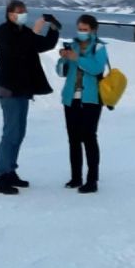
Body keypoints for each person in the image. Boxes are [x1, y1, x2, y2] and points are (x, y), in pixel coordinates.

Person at [0, 0, 59, 195]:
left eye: (24, 11)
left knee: (19, 133)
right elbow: (14, 52)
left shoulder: (24, 32)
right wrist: (35, 32)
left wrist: (53, 28)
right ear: (9, 14)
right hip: (10, 89)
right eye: (19, 11)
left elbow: (43, 44)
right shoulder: (3, 32)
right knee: (11, 133)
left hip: (23, 89)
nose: (22, 14)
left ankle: (10, 170)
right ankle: (1, 176)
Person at [56, 14, 111, 193]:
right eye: (79, 29)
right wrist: (63, 59)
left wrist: (77, 59)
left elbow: (96, 68)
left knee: (88, 136)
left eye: (85, 29)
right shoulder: (72, 45)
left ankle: (92, 179)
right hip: (71, 98)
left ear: (93, 30)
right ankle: (76, 177)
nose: (81, 32)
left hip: (91, 99)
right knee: (73, 139)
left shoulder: (99, 47)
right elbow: (61, 72)